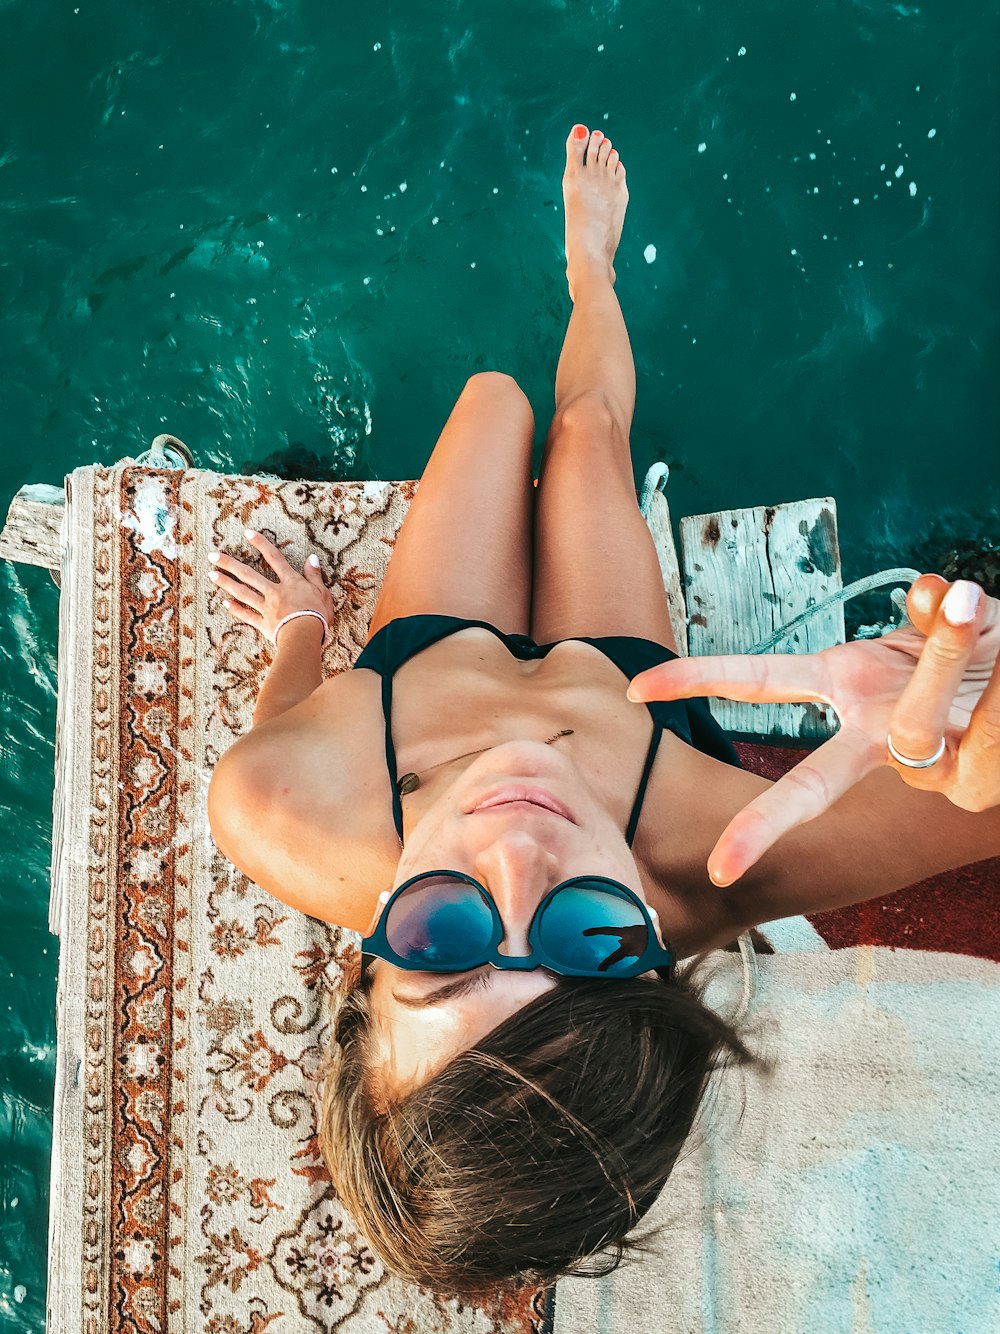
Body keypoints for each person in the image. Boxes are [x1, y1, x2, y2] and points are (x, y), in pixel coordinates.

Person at [206, 124, 1000, 1297]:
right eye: (590, 940)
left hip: (427, 659)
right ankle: (593, 271)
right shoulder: (721, 863)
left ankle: (572, 298)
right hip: (615, 677)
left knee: (490, 402)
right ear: (658, 969)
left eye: (441, 940)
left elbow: (279, 722)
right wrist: (980, 713)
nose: (521, 842)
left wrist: (301, 630)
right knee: (585, 431)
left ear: (362, 966)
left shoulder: (275, 801)